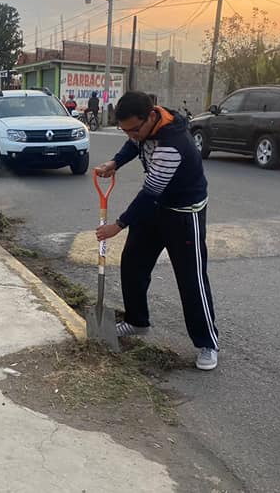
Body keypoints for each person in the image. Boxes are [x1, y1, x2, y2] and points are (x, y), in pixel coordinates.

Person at [94, 91, 219, 371]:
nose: (131, 135)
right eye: (125, 130)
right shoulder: (147, 123)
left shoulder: (173, 145)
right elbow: (134, 145)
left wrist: (119, 225)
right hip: (157, 209)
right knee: (133, 263)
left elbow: (150, 193)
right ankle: (137, 322)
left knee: (191, 279)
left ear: (150, 117)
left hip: (184, 214)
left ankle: (207, 342)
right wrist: (115, 162)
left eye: (134, 129)